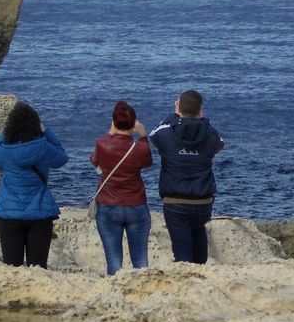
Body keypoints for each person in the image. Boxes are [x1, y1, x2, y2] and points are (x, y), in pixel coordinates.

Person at [0, 100, 69, 268]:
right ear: (36, 126)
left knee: (11, 267)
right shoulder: (44, 147)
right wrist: (46, 131)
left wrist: (5, 132)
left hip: (9, 215)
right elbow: (62, 157)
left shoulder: (4, 152)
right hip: (40, 214)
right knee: (38, 268)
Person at [149, 89, 224, 264]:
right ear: (200, 111)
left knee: (182, 253)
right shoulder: (209, 135)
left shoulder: (165, 134)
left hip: (175, 200)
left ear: (178, 107)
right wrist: (202, 120)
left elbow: (153, 133)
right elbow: (220, 143)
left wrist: (175, 115)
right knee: (199, 237)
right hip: (202, 200)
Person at [90, 100, 153, 276]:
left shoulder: (102, 144)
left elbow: (94, 160)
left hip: (108, 206)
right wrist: (142, 136)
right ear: (133, 124)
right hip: (136, 205)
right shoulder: (140, 147)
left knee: (113, 259)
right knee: (140, 259)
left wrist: (111, 132)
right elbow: (147, 162)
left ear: (113, 122)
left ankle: (114, 294)